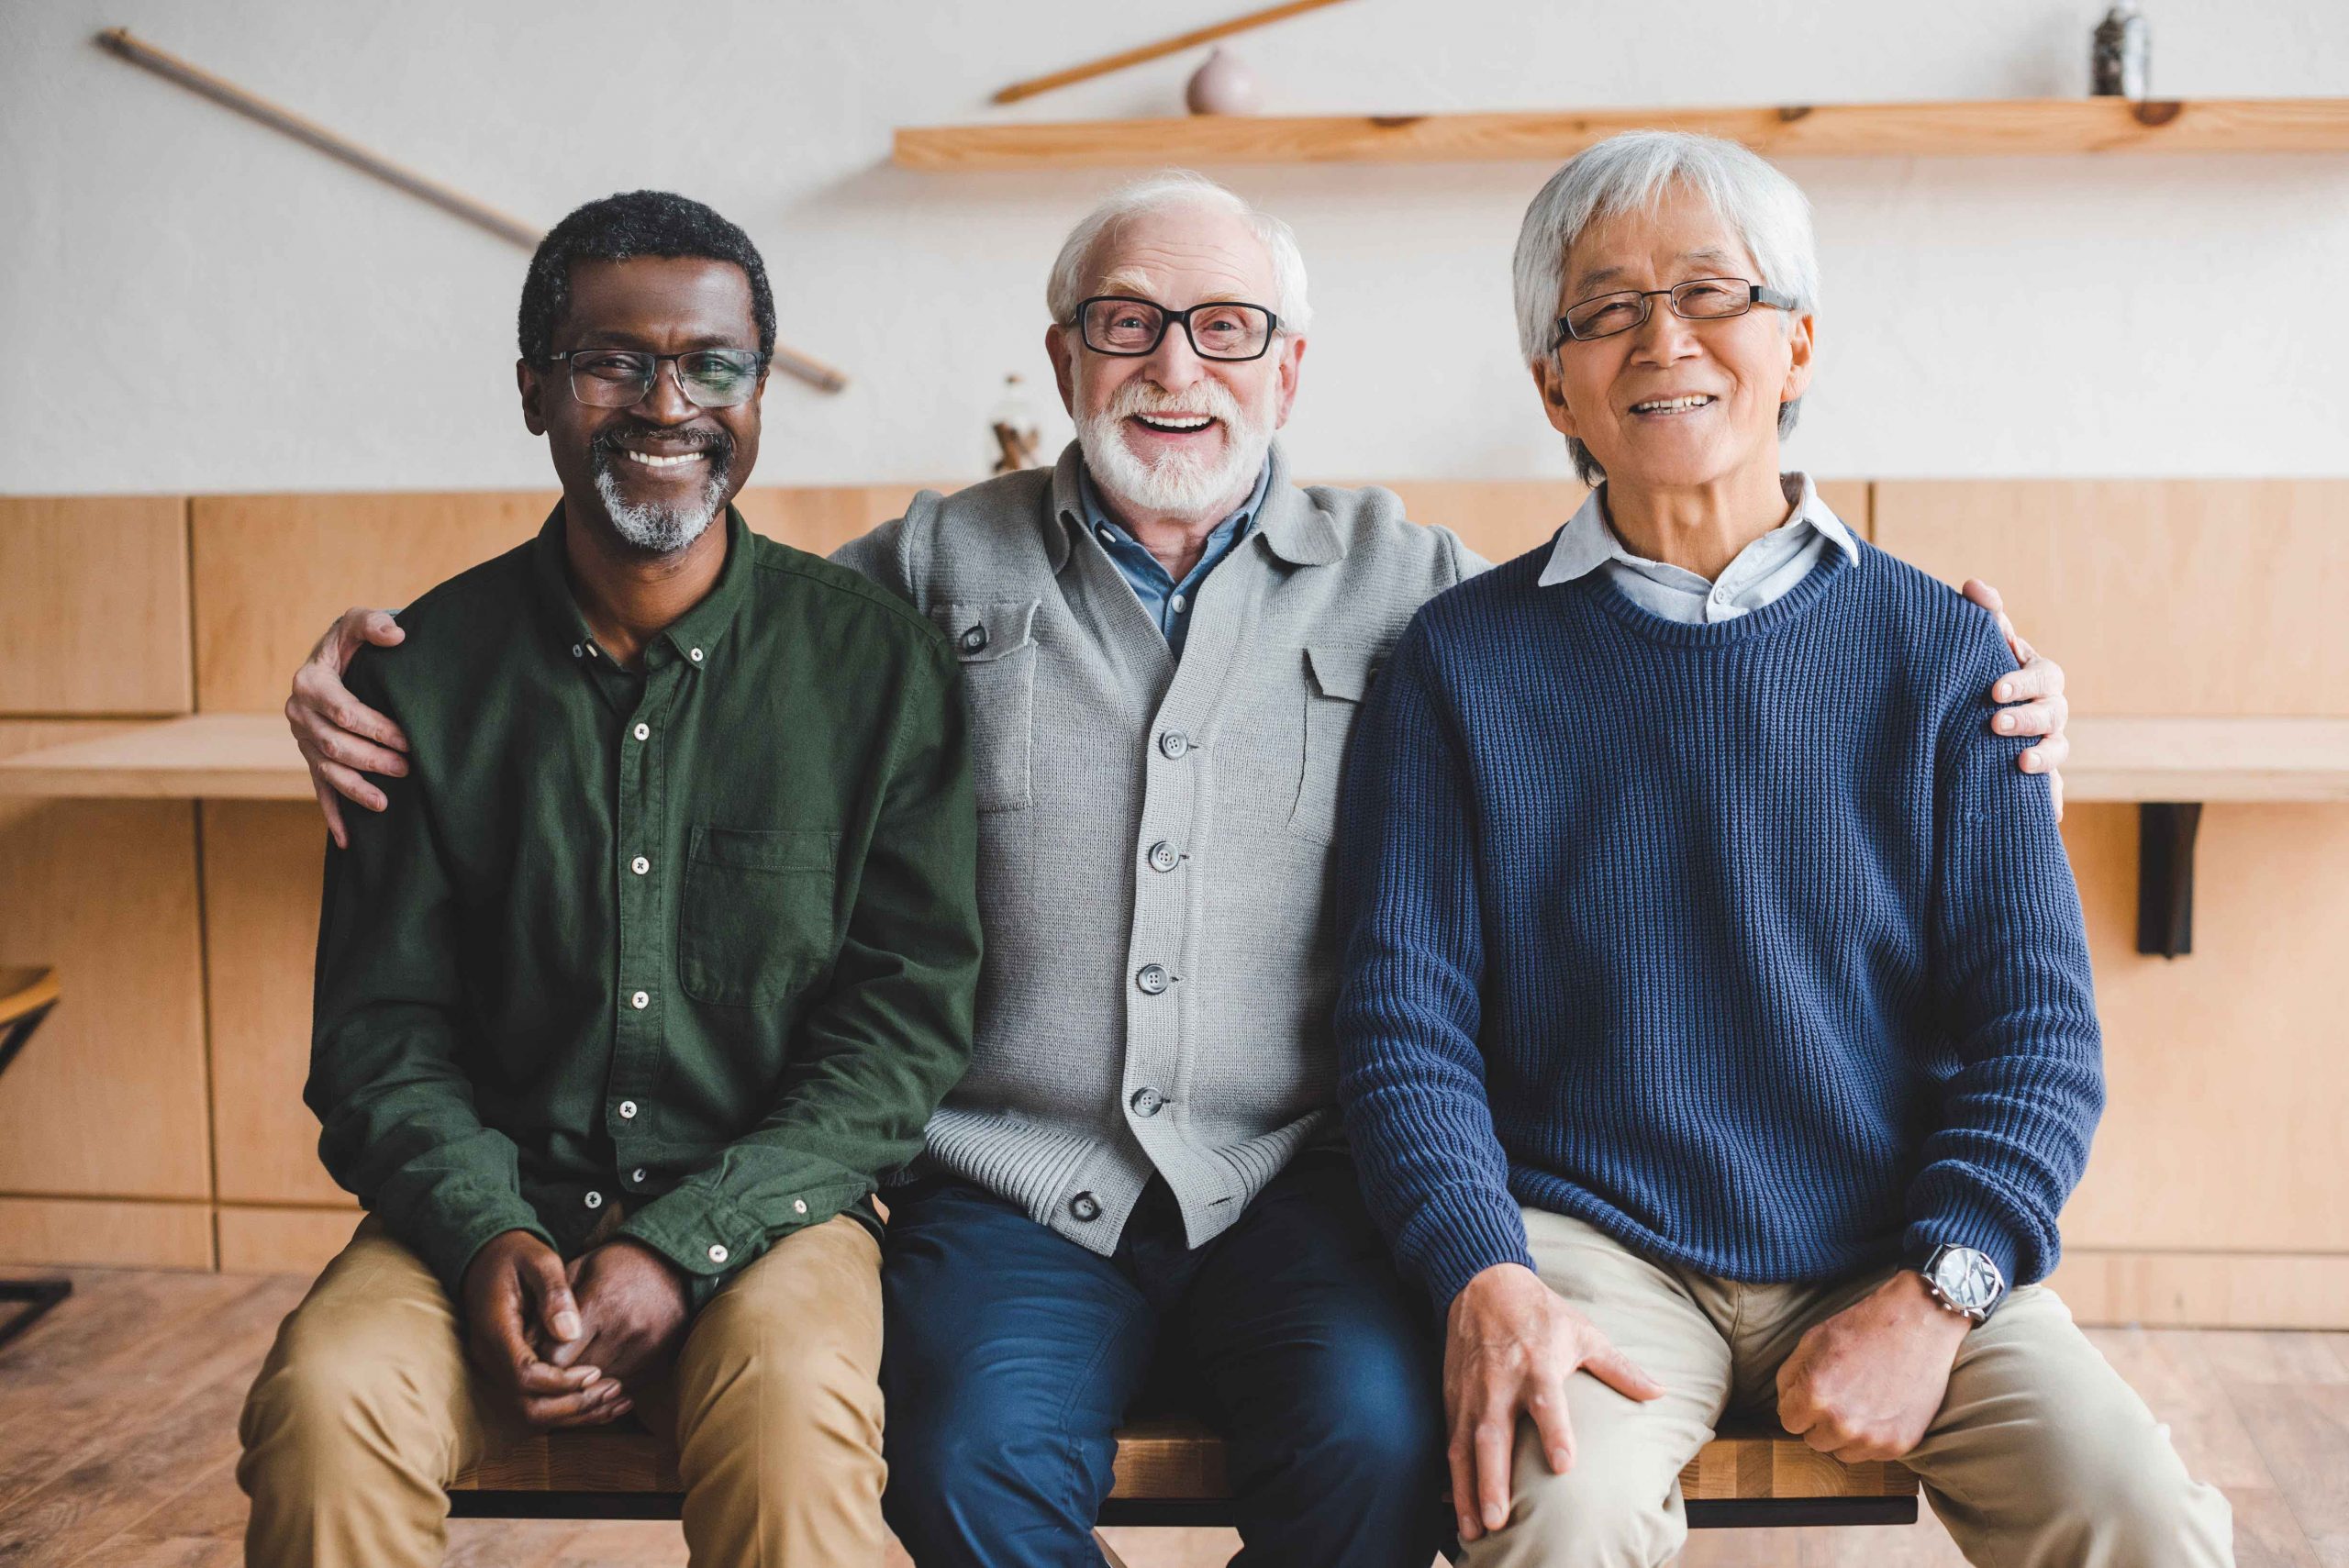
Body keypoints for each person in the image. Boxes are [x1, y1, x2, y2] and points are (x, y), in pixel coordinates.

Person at [281, 170, 2074, 1568]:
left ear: (1288, 372)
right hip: (1009, 1184)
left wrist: (1953, 670)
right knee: (967, 1472)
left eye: (1225, 330)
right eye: (1123, 326)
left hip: (1299, 1182)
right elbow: (705, 622)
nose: (1171, 369)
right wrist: (376, 679)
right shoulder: (912, 579)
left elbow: (1640, 664)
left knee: (1379, 1463)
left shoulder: (1427, 596)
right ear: (1061, 362)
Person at [1333, 130, 2232, 1567]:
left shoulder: (1946, 653)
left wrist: (1939, 1291)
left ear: (1799, 344)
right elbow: (1401, 1023)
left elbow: (2039, 1033)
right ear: (1549, 379)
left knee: (2136, 1507)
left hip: (1900, 1237)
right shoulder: (1456, 664)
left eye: (1712, 293)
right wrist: (1480, 1267)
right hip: (1589, 1242)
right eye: (1605, 308)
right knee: (1547, 1515)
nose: (1662, 339)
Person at [236, 191, 982, 1568]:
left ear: (760, 390)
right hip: (480, 1210)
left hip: (774, 1218)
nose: (666, 403)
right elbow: (379, 1040)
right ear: (534, 390)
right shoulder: (418, 677)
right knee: (324, 1404)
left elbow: (897, 1038)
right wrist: (480, 1233)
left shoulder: (875, 671)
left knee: (798, 1419)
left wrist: (685, 1242)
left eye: (714, 365)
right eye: (612, 360)